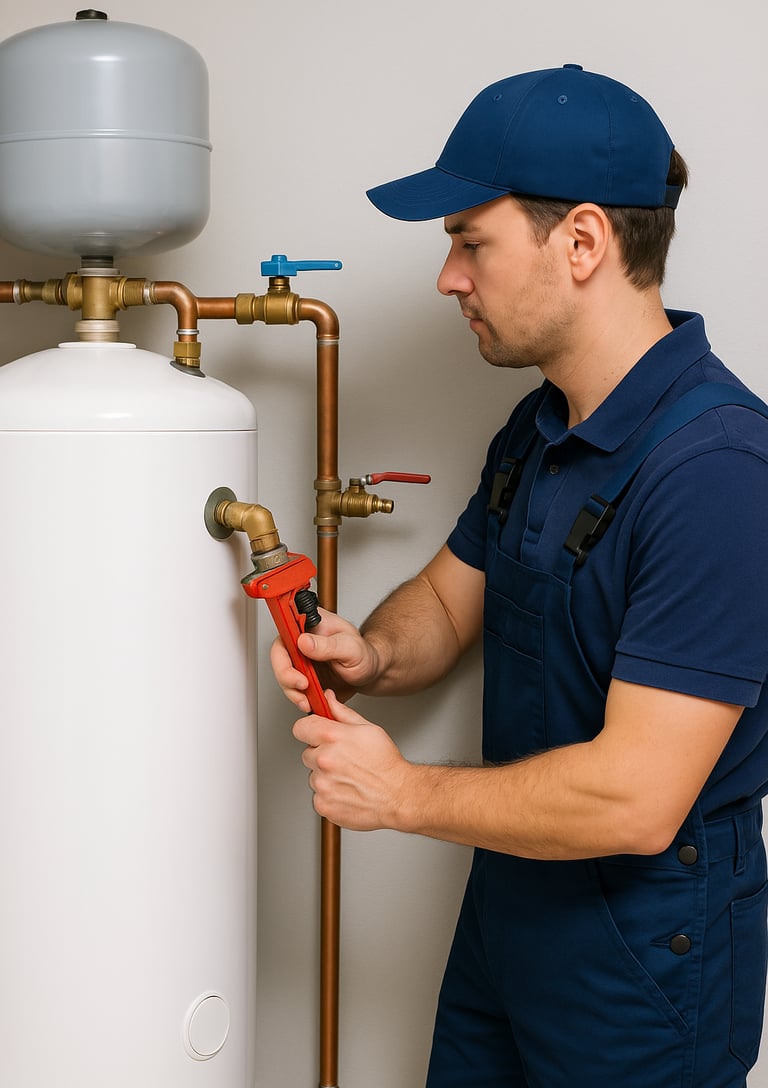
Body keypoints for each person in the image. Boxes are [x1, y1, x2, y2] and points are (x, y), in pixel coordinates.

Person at [271, 64, 768, 1087]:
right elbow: (452, 602)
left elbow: (636, 796)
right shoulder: (539, 427)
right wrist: (370, 651)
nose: (449, 277)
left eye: (469, 240)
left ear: (582, 240)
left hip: (643, 962)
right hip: (511, 920)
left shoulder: (717, 470)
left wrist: (401, 791)